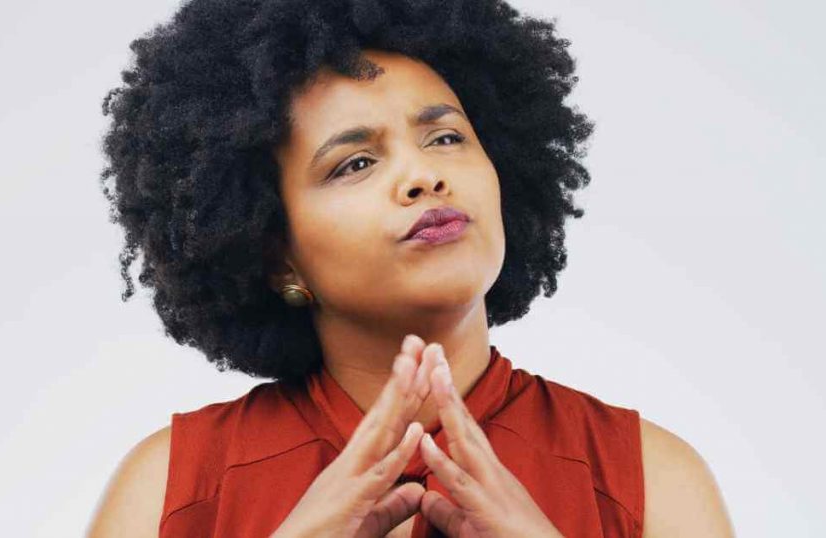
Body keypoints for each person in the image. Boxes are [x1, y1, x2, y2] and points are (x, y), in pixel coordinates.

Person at [86, 1, 735, 536]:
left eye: (447, 137)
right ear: (274, 251)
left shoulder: (647, 480)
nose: (425, 175)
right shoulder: (172, 490)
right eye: (355, 163)